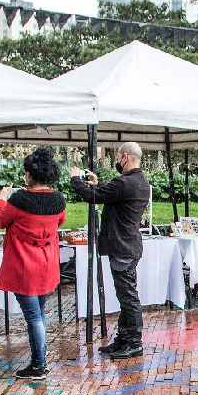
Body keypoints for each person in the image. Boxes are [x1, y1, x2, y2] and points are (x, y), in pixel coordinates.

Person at [69, 141, 150, 360]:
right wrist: (99, 184)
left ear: (125, 157)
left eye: (117, 156)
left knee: (128, 298)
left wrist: (76, 180)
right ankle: (124, 339)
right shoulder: (140, 181)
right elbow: (112, 194)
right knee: (126, 296)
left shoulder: (125, 182)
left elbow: (93, 197)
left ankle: (134, 342)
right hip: (128, 245)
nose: (116, 160)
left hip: (123, 246)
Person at [0, 147, 66, 380]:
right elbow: (60, 221)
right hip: (47, 264)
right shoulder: (58, 199)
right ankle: (39, 361)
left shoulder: (20, 198)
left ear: (29, 174)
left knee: (34, 317)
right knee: (39, 313)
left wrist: (0, 200)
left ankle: (38, 365)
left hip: (25, 265)